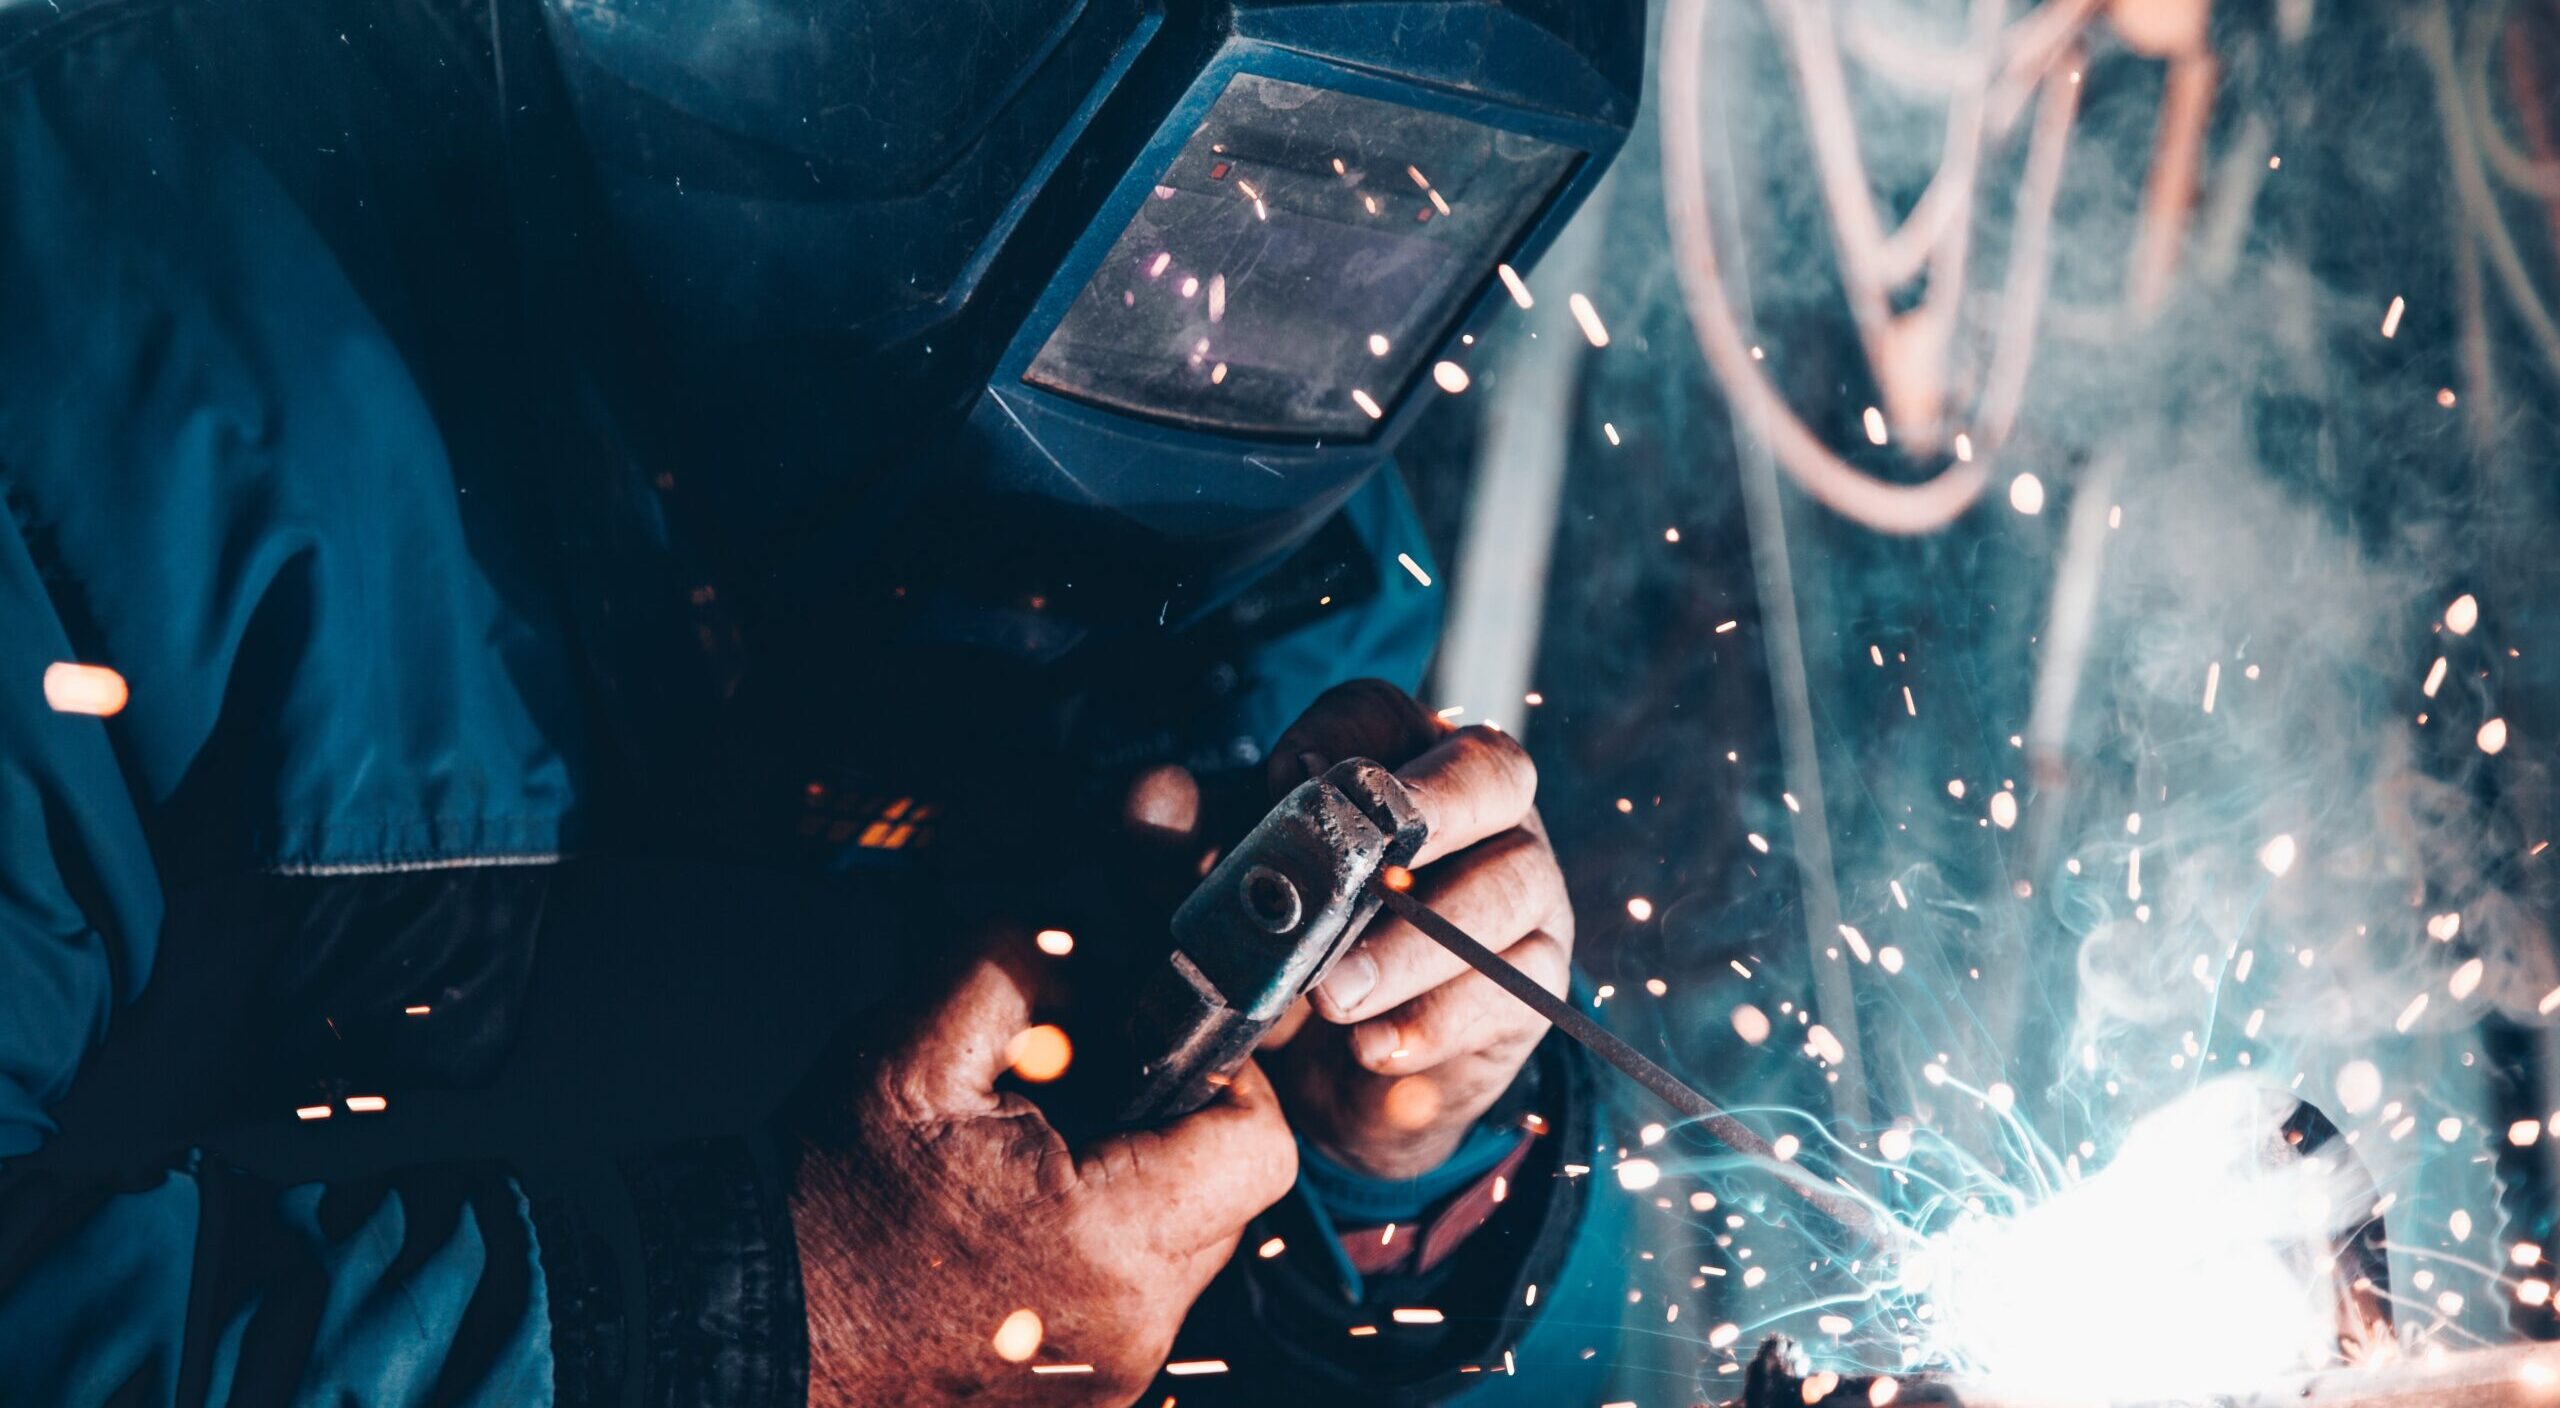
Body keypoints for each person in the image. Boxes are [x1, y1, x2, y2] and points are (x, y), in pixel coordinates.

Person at [0, 0, 1640, 1402]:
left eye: (1334, 219)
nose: (1234, 295)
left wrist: (1405, 1166)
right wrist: (762, 1338)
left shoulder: (1262, 513)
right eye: (1205, 205)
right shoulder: (101, 339)